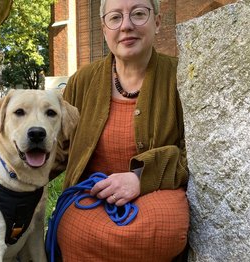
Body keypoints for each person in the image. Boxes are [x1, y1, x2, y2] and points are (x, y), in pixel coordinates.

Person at [50, 0, 190, 261]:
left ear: (157, 22)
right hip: (93, 195)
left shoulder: (181, 75)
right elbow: (59, 148)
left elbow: (198, 152)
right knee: (75, 231)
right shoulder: (82, 81)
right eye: (115, 18)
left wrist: (141, 177)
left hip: (156, 191)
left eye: (138, 14)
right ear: (104, 29)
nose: (126, 26)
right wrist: (6, 174)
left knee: (165, 228)